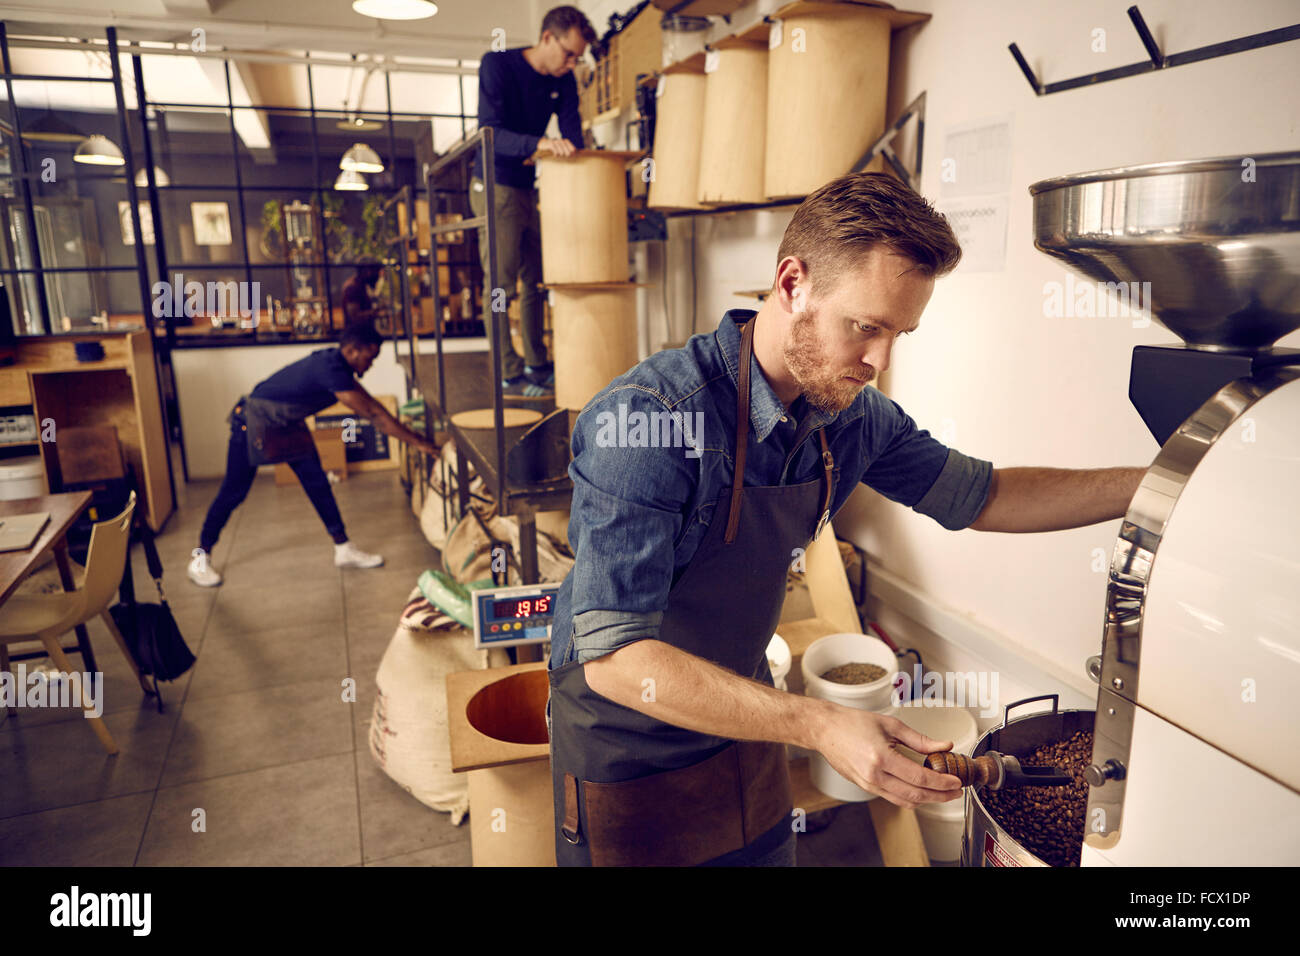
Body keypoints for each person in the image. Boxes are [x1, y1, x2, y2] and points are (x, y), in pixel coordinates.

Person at [545, 171, 1149, 867]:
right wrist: (818, 723)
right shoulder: (648, 422)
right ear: (793, 283)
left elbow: (986, 496)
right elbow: (616, 662)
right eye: (865, 326)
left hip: (747, 721)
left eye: (900, 333)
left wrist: (1160, 487)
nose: (880, 360)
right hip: (627, 748)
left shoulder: (853, 419)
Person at [188, 321, 438, 587]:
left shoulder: (338, 366)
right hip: (253, 422)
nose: (371, 364)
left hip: (286, 425)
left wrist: (415, 439)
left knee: (318, 484)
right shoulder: (331, 369)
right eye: (370, 356)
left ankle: (343, 548)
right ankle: (199, 559)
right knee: (233, 492)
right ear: (353, 350)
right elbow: (373, 414)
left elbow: (373, 405)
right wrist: (418, 443)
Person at [469, 4, 596, 398]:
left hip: (528, 184)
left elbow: (573, 137)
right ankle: (508, 373)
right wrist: (539, 143)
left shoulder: (564, 79)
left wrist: (581, 152)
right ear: (547, 38)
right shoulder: (498, 65)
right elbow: (490, 133)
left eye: (578, 57)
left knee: (535, 279)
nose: (572, 63)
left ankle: (536, 363)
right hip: (494, 184)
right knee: (501, 284)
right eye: (568, 53)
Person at [340, 261, 383, 326]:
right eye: (375, 271)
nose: (377, 276)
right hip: (356, 334)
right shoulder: (352, 287)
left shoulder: (362, 285)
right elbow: (355, 317)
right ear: (366, 271)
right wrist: (375, 312)